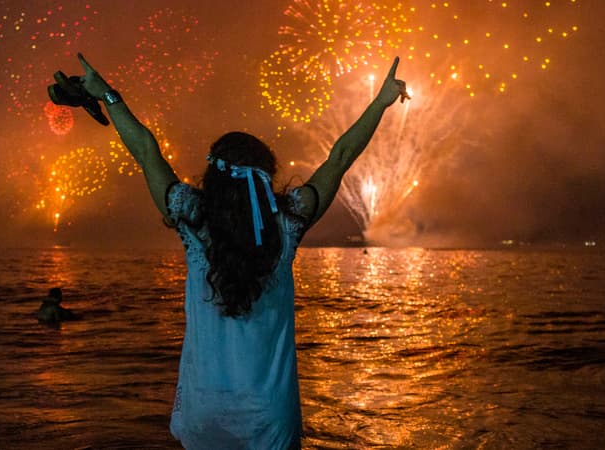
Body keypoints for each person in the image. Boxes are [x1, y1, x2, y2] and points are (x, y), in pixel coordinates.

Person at [70, 52, 408, 449]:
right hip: (270, 418)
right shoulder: (289, 223)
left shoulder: (191, 218)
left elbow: (146, 150)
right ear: (266, 179)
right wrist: (381, 101)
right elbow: (341, 156)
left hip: (203, 412)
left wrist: (107, 95)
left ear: (213, 175)